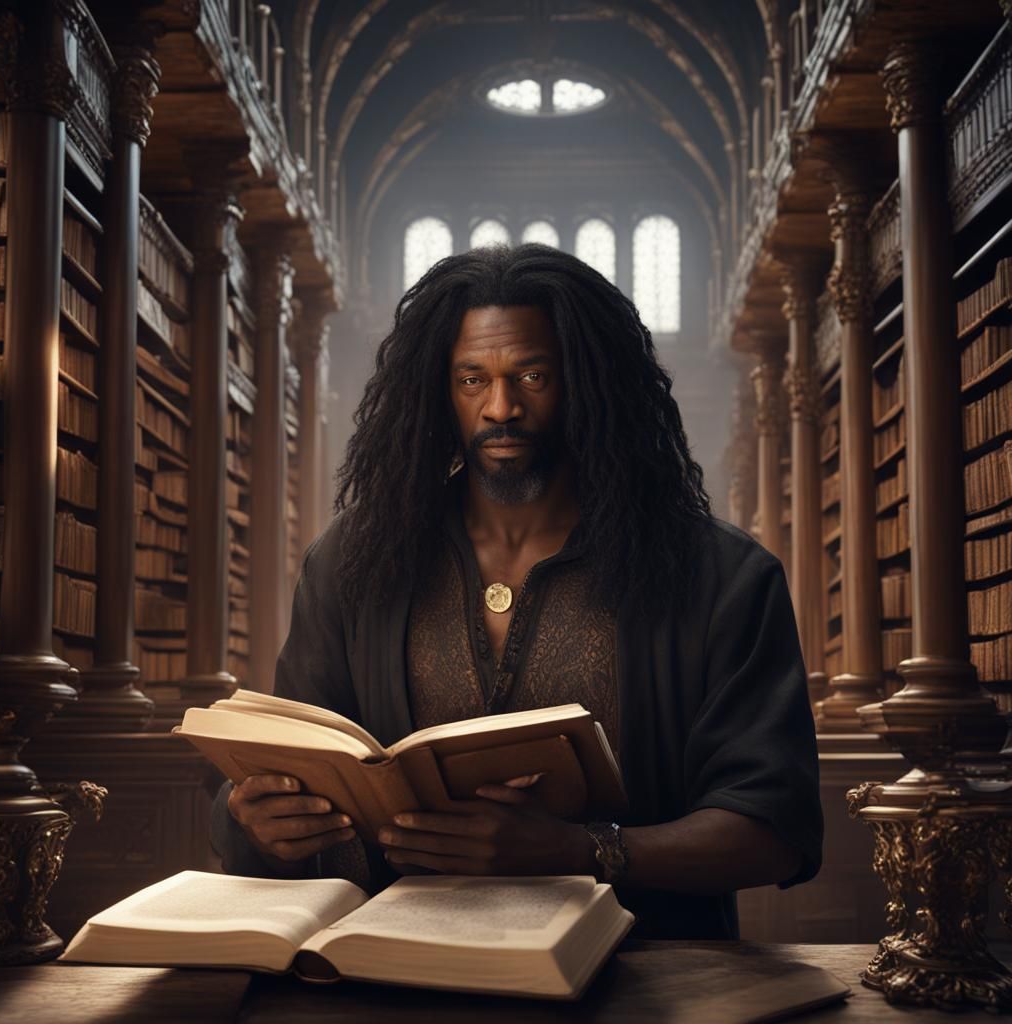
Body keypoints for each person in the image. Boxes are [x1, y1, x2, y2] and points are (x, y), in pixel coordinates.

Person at [211, 244, 822, 939]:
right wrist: (255, 819)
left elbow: (776, 828)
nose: (500, 407)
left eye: (532, 376)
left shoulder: (722, 575)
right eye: (472, 380)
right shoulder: (352, 563)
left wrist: (581, 851)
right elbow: (288, 765)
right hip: (395, 974)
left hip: (646, 979)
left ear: (588, 383)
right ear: (439, 391)